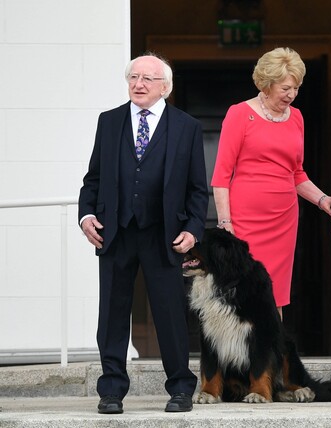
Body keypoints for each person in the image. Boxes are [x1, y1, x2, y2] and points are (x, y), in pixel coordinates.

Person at [78, 54, 208, 414]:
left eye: (148, 78)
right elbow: (94, 180)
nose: (139, 84)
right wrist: (87, 216)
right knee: (113, 314)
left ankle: (181, 388)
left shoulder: (186, 127)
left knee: (169, 314)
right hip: (115, 232)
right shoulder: (109, 122)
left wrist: (193, 229)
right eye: (134, 77)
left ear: (165, 86)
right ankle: (111, 391)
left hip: (163, 234)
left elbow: (198, 188)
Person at [211, 47, 331, 319]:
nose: (291, 95)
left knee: (275, 292)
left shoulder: (297, 118)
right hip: (244, 220)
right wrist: (225, 224)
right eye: (286, 88)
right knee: (242, 290)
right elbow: (221, 175)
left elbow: (297, 173)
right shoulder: (239, 114)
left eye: (297, 88)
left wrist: (324, 200)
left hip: (283, 221)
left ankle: (272, 356)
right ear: (267, 85)